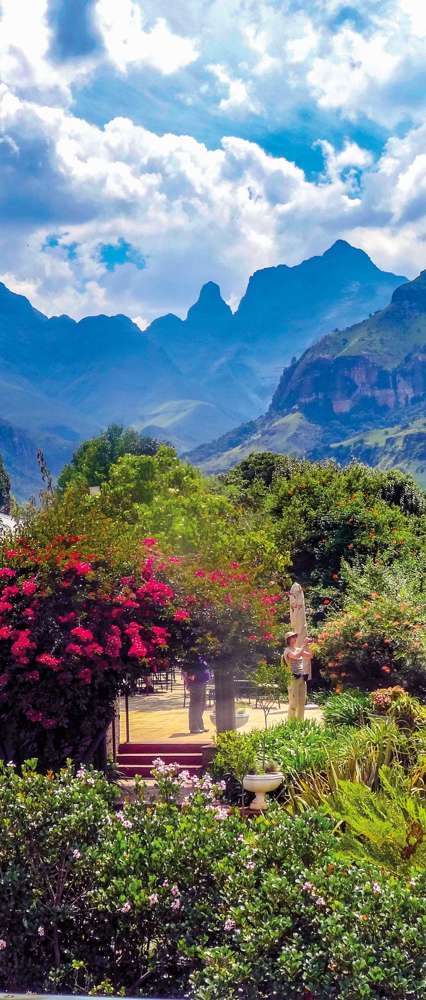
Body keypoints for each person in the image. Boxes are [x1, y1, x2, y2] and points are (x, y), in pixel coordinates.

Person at [282, 631, 313, 721]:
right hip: (293, 678)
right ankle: (291, 723)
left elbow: (310, 656)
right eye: (292, 637)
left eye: (295, 637)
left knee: (301, 702)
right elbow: (295, 656)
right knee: (293, 703)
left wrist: (309, 646)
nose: (295, 639)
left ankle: (300, 722)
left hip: (302, 678)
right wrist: (303, 645)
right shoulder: (287, 650)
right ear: (288, 640)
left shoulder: (298, 649)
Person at [183, 657, 211, 734]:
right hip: (195, 684)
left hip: (202, 682)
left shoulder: (201, 655)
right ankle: (194, 727)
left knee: (202, 705)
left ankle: (200, 726)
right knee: (195, 705)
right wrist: (188, 683)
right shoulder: (190, 656)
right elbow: (185, 670)